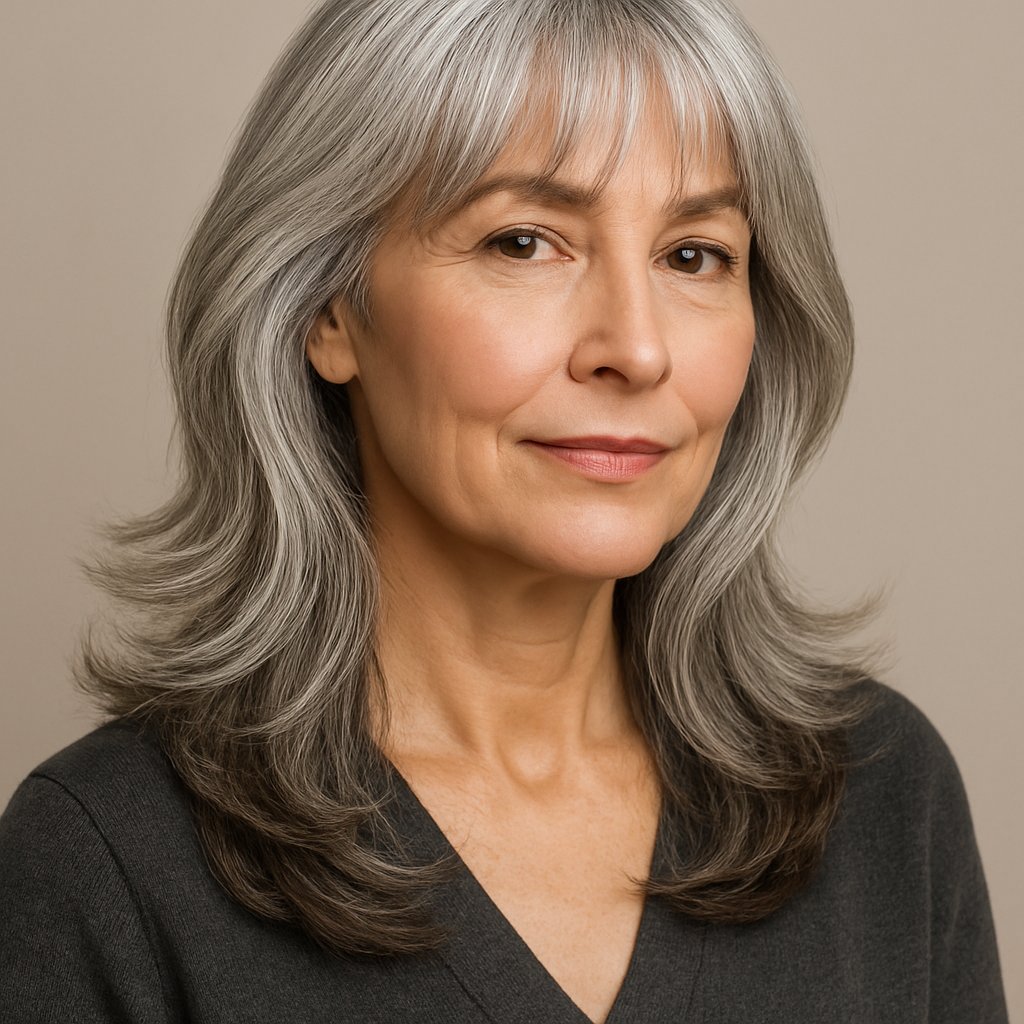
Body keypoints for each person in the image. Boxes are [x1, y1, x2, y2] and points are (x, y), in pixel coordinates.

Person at [0, 0, 1008, 1020]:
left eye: (693, 254)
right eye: (525, 241)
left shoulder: (882, 797)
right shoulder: (105, 862)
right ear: (327, 306)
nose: (637, 346)